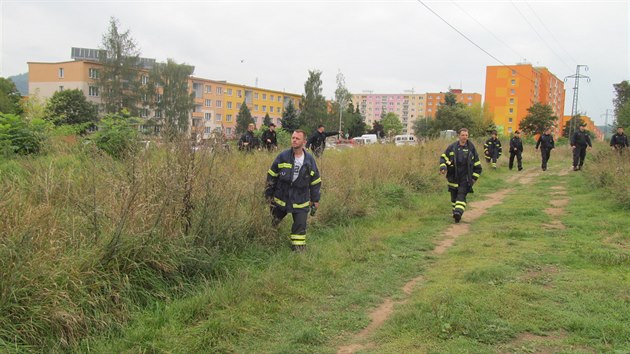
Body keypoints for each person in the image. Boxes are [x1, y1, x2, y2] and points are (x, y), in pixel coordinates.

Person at [265, 130, 322, 252]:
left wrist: (315, 200)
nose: (294, 140)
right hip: (281, 199)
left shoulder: (310, 161)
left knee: (300, 228)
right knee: (272, 223)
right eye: (293, 137)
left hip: (300, 200)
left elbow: (315, 182)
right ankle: (267, 243)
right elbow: (272, 176)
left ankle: (298, 250)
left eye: (297, 138)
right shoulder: (283, 156)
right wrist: (268, 195)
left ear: (304, 142)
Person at [439, 128, 482, 223]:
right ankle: (455, 213)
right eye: (463, 135)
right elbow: (443, 158)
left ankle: (458, 213)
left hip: (466, 178)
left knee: (461, 196)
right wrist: (443, 167)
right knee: (454, 198)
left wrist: (474, 178)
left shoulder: (471, 148)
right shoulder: (452, 147)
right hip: (453, 177)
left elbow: (478, 166)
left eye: (466, 135)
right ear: (459, 136)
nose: (465, 137)